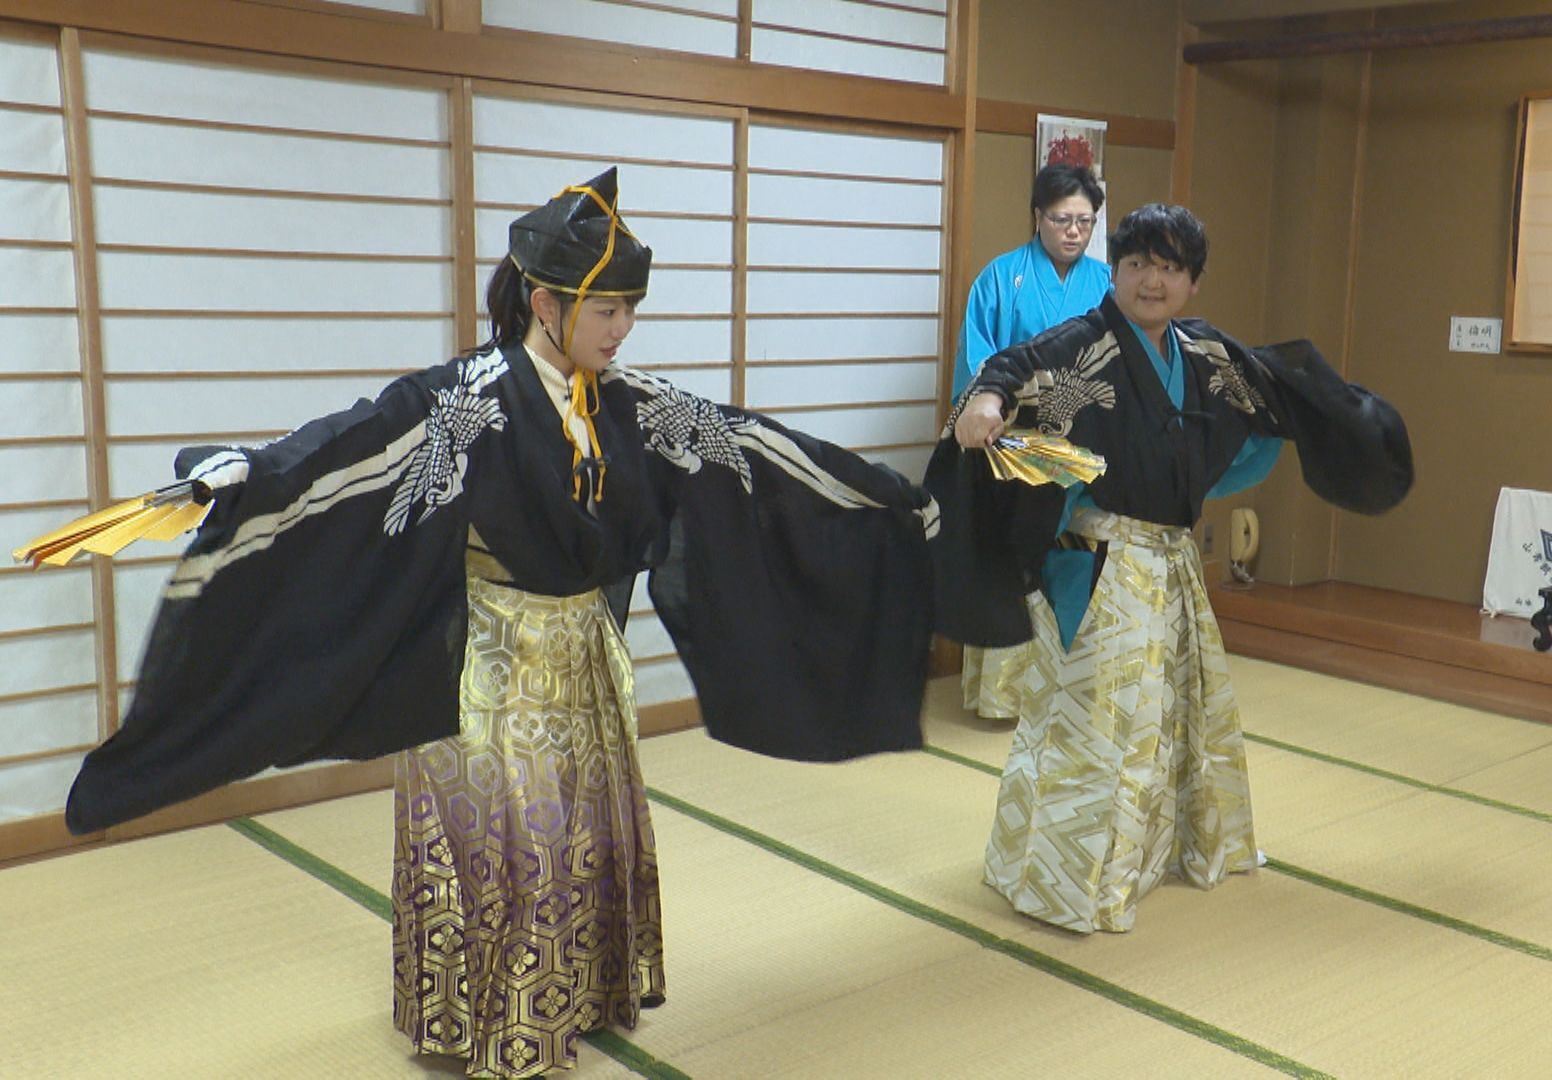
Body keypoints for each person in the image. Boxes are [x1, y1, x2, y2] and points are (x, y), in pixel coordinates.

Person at [60, 168, 938, 1077]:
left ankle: (574, 1000)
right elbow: (349, 445)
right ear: (545, 303)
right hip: (490, 665)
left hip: (584, 660)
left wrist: (890, 501)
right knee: (516, 847)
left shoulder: (632, 404)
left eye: (631, 310)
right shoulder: (464, 400)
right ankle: (493, 1026)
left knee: (585, 838)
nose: (622, 328)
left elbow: (754, 450)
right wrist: (245, 473)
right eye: (606, 310)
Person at [927, 203, 1413, 933]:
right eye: (1136, 264)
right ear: (1114, 272)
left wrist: (1348, 421)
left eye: (1169, 268)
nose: (1151, 281)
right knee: (1095, 724)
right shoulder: (1082, 344)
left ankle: (1161, 854)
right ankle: (1063, 881)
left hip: (1174, 562)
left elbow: (1277, 386)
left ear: (1192, 281)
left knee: (1175, 716)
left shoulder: (1204, 352)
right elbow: (1012, 367)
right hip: (1100, 564)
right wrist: (987, 400)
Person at [952, 164, 1112, 722]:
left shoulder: (1107, 284)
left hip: (1087, 446)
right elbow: (979, 365)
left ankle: (1076, 692)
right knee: (1011, 555)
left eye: (1085, 221)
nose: (1074, 231)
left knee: (1087, 555)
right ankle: (1005, 696)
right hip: (1014, 442)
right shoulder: (1001, 279)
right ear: (1038, 217)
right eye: (1062, 219)